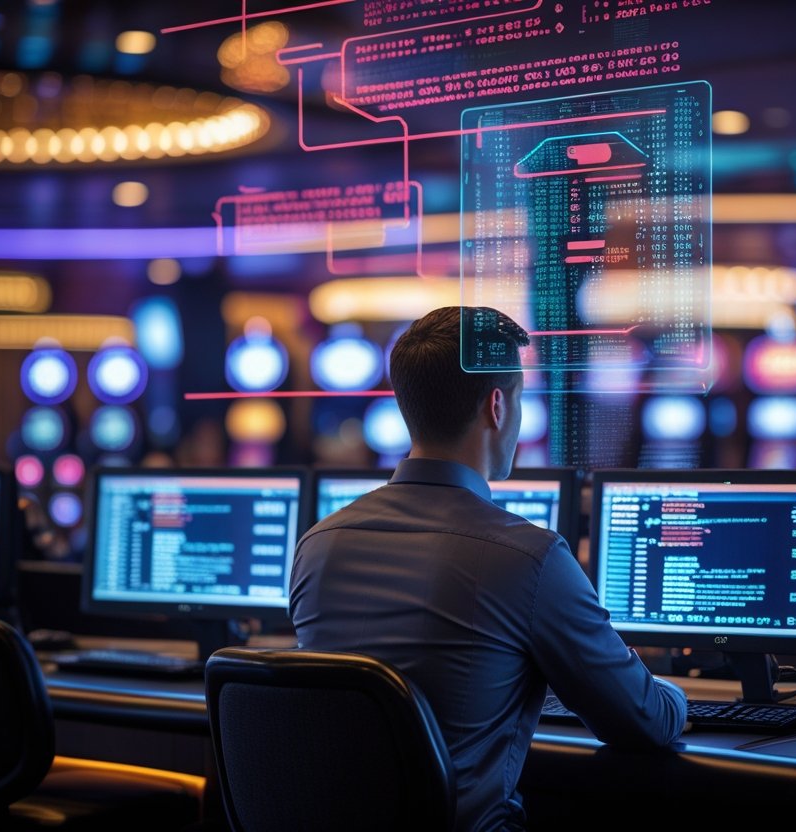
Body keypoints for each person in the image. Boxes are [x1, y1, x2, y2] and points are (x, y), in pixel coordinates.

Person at [290, 306, 687, 832]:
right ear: (497, 406)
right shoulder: (528, 557)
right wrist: (678, 692)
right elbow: (646, 721)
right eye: (522, 399)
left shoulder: (318, 545)